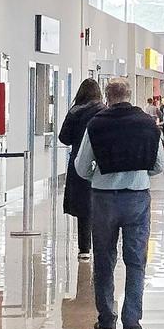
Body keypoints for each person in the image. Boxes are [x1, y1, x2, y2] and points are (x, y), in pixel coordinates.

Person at [75, 77, 164, 329]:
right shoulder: (148, 125)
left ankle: (106, 318)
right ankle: (132, 320)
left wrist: (100, 177)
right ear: (130, 95)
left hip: (103, 200)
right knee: (136, 259)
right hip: (137, 199)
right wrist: (138, 173)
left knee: (104, 259)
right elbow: (158, 165)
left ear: (107, 96)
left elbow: (82, 167)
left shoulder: (96, 124)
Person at [58, 78, 105, 261]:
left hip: (79, 160)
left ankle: (84, 248)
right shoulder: (103, 111)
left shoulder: (74, 112)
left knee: (84, 207)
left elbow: (64, 138)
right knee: (101, 203)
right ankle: (101, 245)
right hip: (101, 161)